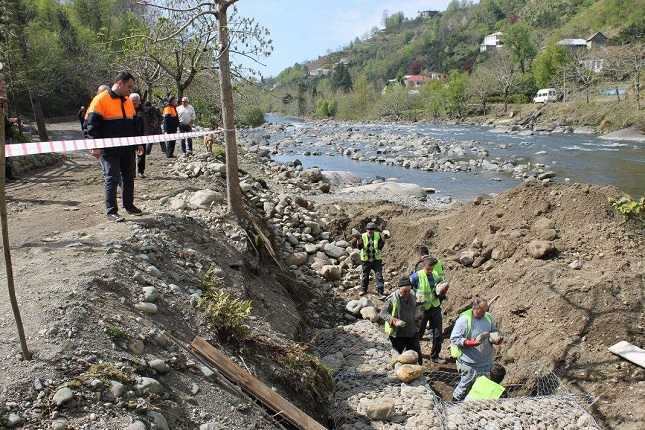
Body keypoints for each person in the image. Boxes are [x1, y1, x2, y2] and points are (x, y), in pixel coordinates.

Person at [85, 71, 143, 222]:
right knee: (112, 178)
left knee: (129, 178)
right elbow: (91, 126)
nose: (130, 90)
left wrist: (138, 143)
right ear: (120, 83)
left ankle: (129, 205)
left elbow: (135, 125)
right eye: (129, 86)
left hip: (127, 148)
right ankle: (111, 212)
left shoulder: (127, 101)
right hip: (109, 149)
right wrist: (95, 146)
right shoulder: (100, 100)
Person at [450, 298, 503, 401]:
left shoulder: (488, 317)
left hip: (486, 362)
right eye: (482, 311)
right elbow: (454, 338)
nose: (484, 313)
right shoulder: (464, 320)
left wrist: (496, 339)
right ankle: (453, 404)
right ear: (474, 308)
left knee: (483, 386)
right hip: (470, 364)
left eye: (485, 311)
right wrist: (470, 343)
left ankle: (476, 404)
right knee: (464, 386)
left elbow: (493, 331)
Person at [410, 256, 447, 363]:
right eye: (428, 269)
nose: (430, 271)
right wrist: (414, 299)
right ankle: (413, 354)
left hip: (435, 307)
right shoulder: (416, 276)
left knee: (437, 334)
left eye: (432, 269)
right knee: (418, 333)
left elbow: (440, 288)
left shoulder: (435, 275)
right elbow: (407, 289)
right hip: (422, 309)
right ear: (423, 266)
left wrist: (442, 292)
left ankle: (435, 356)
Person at [380, 277, 422, 365]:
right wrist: (394, 321)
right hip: (398, 335)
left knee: (417, 357)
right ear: (399, 288)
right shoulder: (392, 299)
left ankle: (419, 372)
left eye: (408, 291)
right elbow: (383, 313)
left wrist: (418, 315)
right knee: (397, 359)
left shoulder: (412, 296)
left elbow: (416, 308)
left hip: (412, 332)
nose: (407, 293)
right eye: (404, 291)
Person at [352, 222, 386, 297]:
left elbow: (380, 247)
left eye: (372, 229)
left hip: (376, 260)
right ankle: (363, 289)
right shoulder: (363, 236)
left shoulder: (378, 235)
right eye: (369, 229)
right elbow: (360, 248)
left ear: (374, 229)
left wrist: (383, 240)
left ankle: (380, 292)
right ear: (366, 229)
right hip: (366, 260)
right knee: (365, 275)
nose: (371, 231)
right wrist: (358, 240)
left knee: (379, 276)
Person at [129, 93, 146, 178]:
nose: (134, 102)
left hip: (142, 135)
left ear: (139, 101)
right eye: (133, 100)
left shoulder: (144, 110)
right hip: (130, 136)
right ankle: (131, 173)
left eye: (136, 100)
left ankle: (140, 171)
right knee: (130, 155)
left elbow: (150, 120)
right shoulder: (126, 109)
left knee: (141, 154)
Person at [3, 100, 19, 181]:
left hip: (7, 137)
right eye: (5, 104)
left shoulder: (3, 114)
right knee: (4, 158)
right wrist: (10, 122)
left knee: (8, 157)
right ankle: (5, 177)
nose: (6, 106)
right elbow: (2, 125)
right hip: (3, 138)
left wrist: (10, 122)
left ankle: (9, 175)